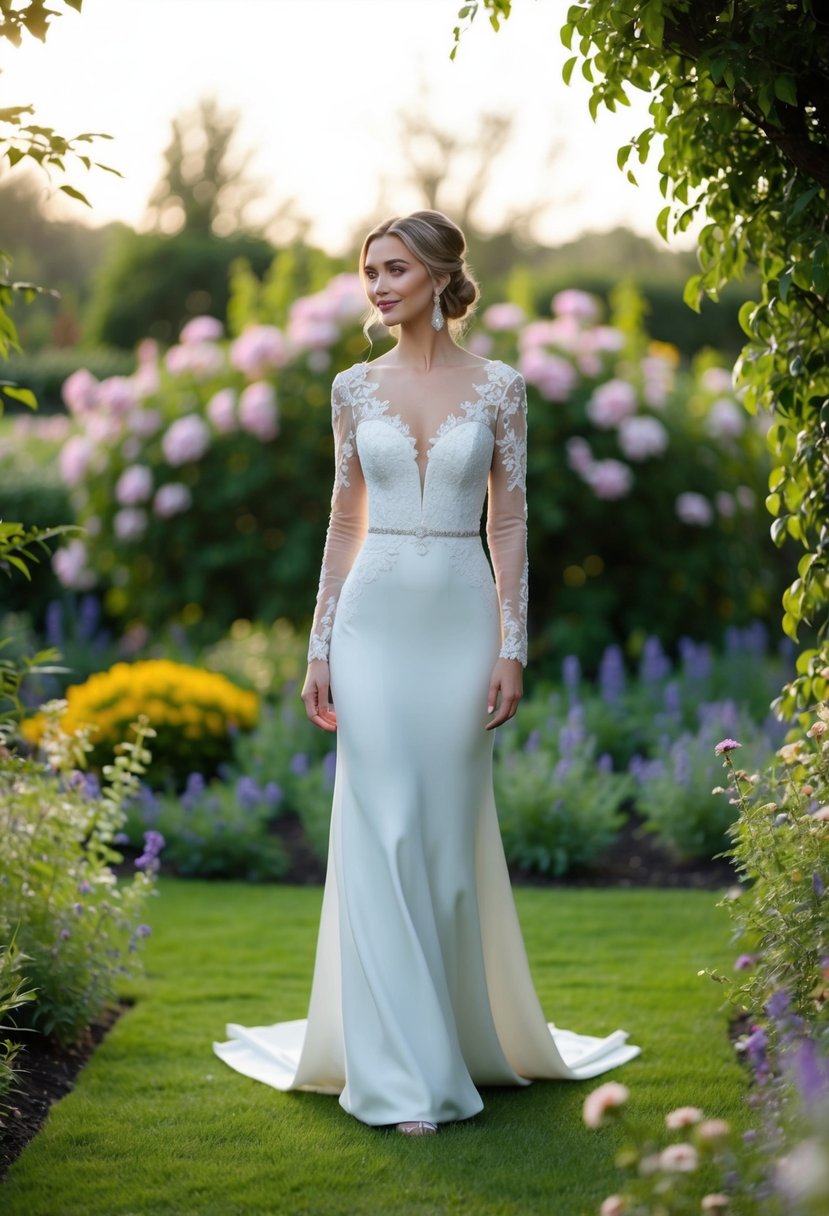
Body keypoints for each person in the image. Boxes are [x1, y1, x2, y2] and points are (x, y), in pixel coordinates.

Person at [213, 210, 639, 1135]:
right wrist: (318, 646)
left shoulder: (500, 389)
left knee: (440, 833)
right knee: (381, 829)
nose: (376, 285)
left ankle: (451, 1034)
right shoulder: (350, 389)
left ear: (441, 275)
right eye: (368, 269)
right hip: (369, 626)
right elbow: (340, 520)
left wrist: (511, 644)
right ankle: (403, 1076)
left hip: (459, 618)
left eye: (394, 268)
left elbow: (512, 524)